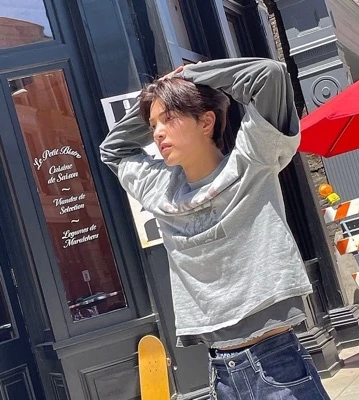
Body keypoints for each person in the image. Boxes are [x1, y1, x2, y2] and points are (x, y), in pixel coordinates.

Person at [100, 58, 330, 399]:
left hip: (276, 361)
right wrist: (156, 96)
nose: (158, 133)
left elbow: (269, 75)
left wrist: (190, 76)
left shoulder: (252, 160)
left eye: (169, 118)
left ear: (206, 121)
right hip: (220, 372)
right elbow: (112, 149)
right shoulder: (159, 189)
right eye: (153, 125)